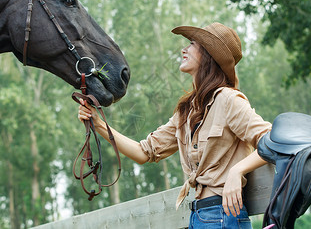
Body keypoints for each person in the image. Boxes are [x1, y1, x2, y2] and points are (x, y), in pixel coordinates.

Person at [78, 22, 272, 228]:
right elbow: (145, 152)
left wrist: (237, 171)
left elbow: (270, 140)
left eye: (192, 44)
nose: (184, 49)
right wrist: (98, 124)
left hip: (223, 215)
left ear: (208, 55)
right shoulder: (186, 111)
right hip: (198, 216)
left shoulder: (228, 99)